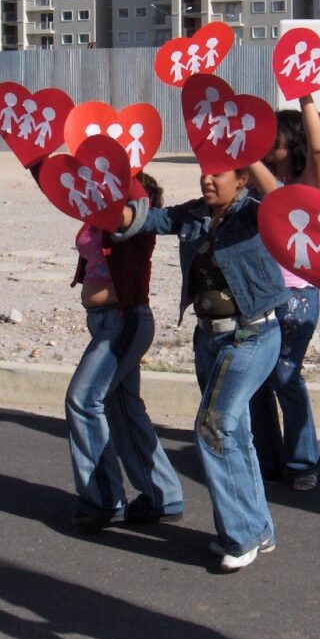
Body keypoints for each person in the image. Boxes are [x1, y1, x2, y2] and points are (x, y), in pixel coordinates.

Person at [116, 168, 289, 571]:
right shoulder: (192, 215)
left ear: (242, 178)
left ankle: (240, 536)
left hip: (252, 336)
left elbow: (279, 198)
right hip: (208, 339)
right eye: (204, 171)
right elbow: (145, 220)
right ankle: (258, 528)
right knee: (237, 433)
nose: (207, 179)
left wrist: (247, 150)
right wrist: (102, 206)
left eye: (219, 174)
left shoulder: (256, 213)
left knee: (213, 429)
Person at [62, 170, 185, 533]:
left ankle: (102, 499)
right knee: (122, 408)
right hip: (106, 322)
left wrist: (127, 163)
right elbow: (62, 188)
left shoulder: (136, 228)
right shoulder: (99, 216)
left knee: (82, 400)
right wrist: (38, 164)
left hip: (124, 321)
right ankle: (163, 496)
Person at [248, 96, 320, 491]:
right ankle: (268, 458)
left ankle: (303, 461)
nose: (267, 142)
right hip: (262, 295)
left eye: (275, 137)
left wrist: (305, 94)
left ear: (290, 141)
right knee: (260, 377)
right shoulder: (266, 184)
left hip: (298, 296)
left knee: (284, 374)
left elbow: (318, 148)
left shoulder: (309, 185)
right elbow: (240, 155)